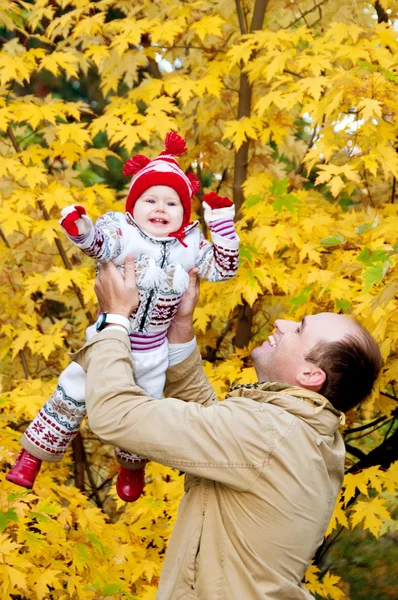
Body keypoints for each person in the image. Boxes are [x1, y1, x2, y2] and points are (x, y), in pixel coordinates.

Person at [69, 256, 381, 599]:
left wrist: (114, 320)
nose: (281, 322)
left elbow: (117, 414)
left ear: (310, 375)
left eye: (299, 329)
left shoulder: (270, 433)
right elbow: (215, 428)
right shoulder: (301, 434)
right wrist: (181, 332)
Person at [6, 132, 239, 502]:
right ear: (134, 205)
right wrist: (81, 229)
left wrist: (223, 224)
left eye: (172, 203)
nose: (160, 208)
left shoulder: (190, 246)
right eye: (150, 200)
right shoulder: (124, 232)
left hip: (153, 350)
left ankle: (131, 468)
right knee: (70, 394)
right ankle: (31, 457)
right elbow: (99, 244)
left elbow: (224, 268)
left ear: (185, 212)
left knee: (142, 411)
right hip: (107, 337)